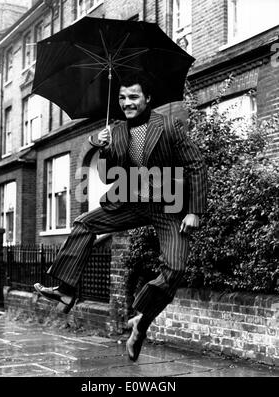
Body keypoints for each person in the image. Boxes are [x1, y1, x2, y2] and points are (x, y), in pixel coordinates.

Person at [34, 73, 207, 361]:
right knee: (84, 223)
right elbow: (110, 170)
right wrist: (102, 146)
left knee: (174, 269)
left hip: (169, 204)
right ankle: (65, 291)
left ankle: (141, 320)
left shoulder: (168, 127)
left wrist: (194, 211)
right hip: (132, 200)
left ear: (148, 99)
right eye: (122, 98)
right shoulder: (116, 129)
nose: (127, 103)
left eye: (134, 97)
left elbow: (196, 165)